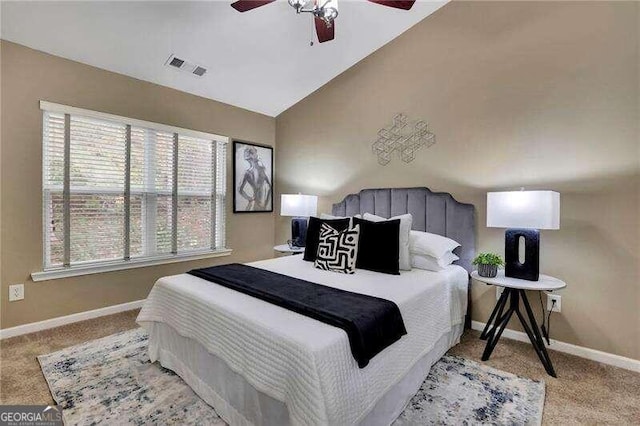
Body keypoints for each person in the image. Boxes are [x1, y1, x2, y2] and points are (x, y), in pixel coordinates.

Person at [238, 146, 271, 211]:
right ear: (251, 156)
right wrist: (249, 198)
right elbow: (239, 189)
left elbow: (270, 187)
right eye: (255, 153)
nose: (257, 154)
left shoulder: (261, 170)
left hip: (260, 203)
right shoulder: (249, 172)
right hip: (256, 204)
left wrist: (266, 202)